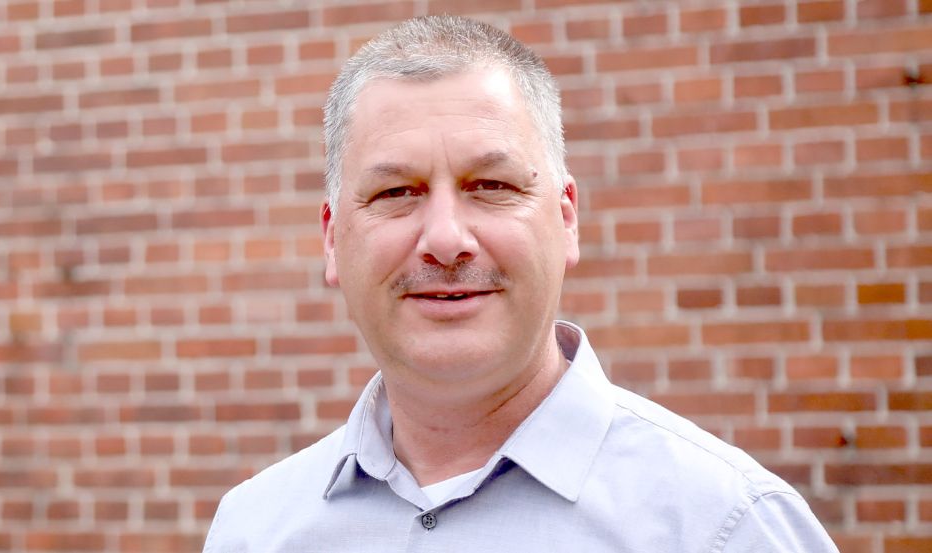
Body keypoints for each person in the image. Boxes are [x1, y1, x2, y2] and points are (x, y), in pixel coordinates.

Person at [203, 15, 839, 552]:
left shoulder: (727, 528)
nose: (446, 238)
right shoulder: (252, 531)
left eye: (492, 186)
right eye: (396, 192)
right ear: (332, 237)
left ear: (565, 219)